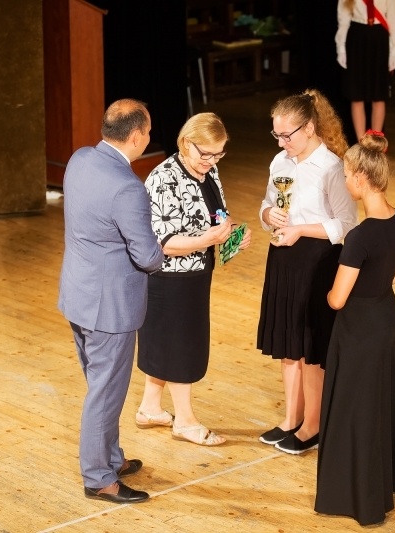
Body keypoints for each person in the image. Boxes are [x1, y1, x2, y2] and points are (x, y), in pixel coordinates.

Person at [58, 99, 165, 504]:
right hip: (111, 310)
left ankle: (111, 457)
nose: (149, 137)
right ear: (136, 137)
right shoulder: (127, 187)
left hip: (79, 296)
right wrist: (174, 246)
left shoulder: (80, 159)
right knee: (104, 393)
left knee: (102, 387)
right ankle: (99, 478)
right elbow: (148, 257)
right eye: (149, 131)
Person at [135, 112, 252, 446]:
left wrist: (232, 238)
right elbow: (162, 242)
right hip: (168, 279)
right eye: (206, 153)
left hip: (197, 275)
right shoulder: (163, 179)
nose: (212, 161)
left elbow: (217, 220)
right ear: (186, 143)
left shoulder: (209, 171)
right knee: (178, 348)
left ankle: (149, 408)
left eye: (219, 154)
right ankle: (184, 421)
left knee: (164, 343)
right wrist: (208, 240)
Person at [314, 131, 395, 526]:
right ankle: (384, 484)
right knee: (382, 407)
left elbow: (337, 299)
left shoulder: (359, 237)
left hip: (360, 333)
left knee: (356, 414)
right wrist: (375, 285)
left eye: (345, 175)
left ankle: (360, 499)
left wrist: (322, 294)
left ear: (359, 178)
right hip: (389, 323)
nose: (344, 182)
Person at [256, 89, 358, 455]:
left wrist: (301, 229)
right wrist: (268, 216)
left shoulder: (331, 167)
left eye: (288, 135)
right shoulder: (280, 163)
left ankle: (313, 423)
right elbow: (267, 204)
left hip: (317, 260)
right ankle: (291, 418)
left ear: (310, 127)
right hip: (283, 256)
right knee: (288, 343)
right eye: (277, 135)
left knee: (311, 346)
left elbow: (347, 224)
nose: (282, 142)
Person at [335, 0, 395, 141]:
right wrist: (341, 48)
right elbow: (343, 18)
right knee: (356, 95)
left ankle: (375, 144)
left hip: (380, 38)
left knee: (379, 95)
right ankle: (361, 144)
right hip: (357, 38)